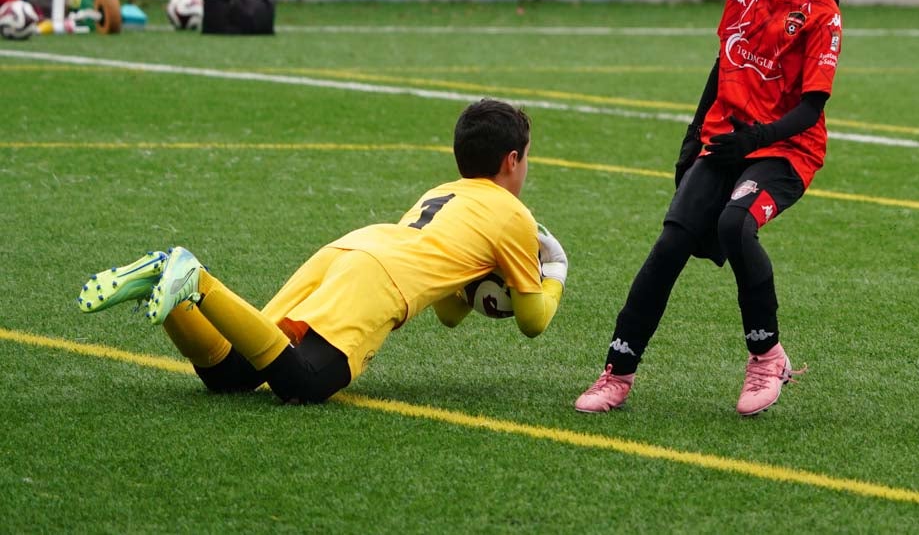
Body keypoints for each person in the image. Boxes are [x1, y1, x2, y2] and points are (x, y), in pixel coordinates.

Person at [77, 98, 567, 404]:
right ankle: (196, 280)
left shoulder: (443, 191)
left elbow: (448, 314)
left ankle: (166, 282)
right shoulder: (513, 216)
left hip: (351, 249)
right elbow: (534, 320)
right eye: (527, 159)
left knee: (233, 374)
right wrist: (556, 269)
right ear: (512, 159)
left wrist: (471, 283)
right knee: (306, 384)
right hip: (379, 278)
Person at [575, 0, 856, 418]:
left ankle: (767, 358)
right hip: (724, 140)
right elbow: (720, 68)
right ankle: (617, 371)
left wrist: (753, 142)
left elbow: (812, 108)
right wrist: (692, 144)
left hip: (787, 150)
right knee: (670, 244)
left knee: (735, 225)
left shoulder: (823, 16)